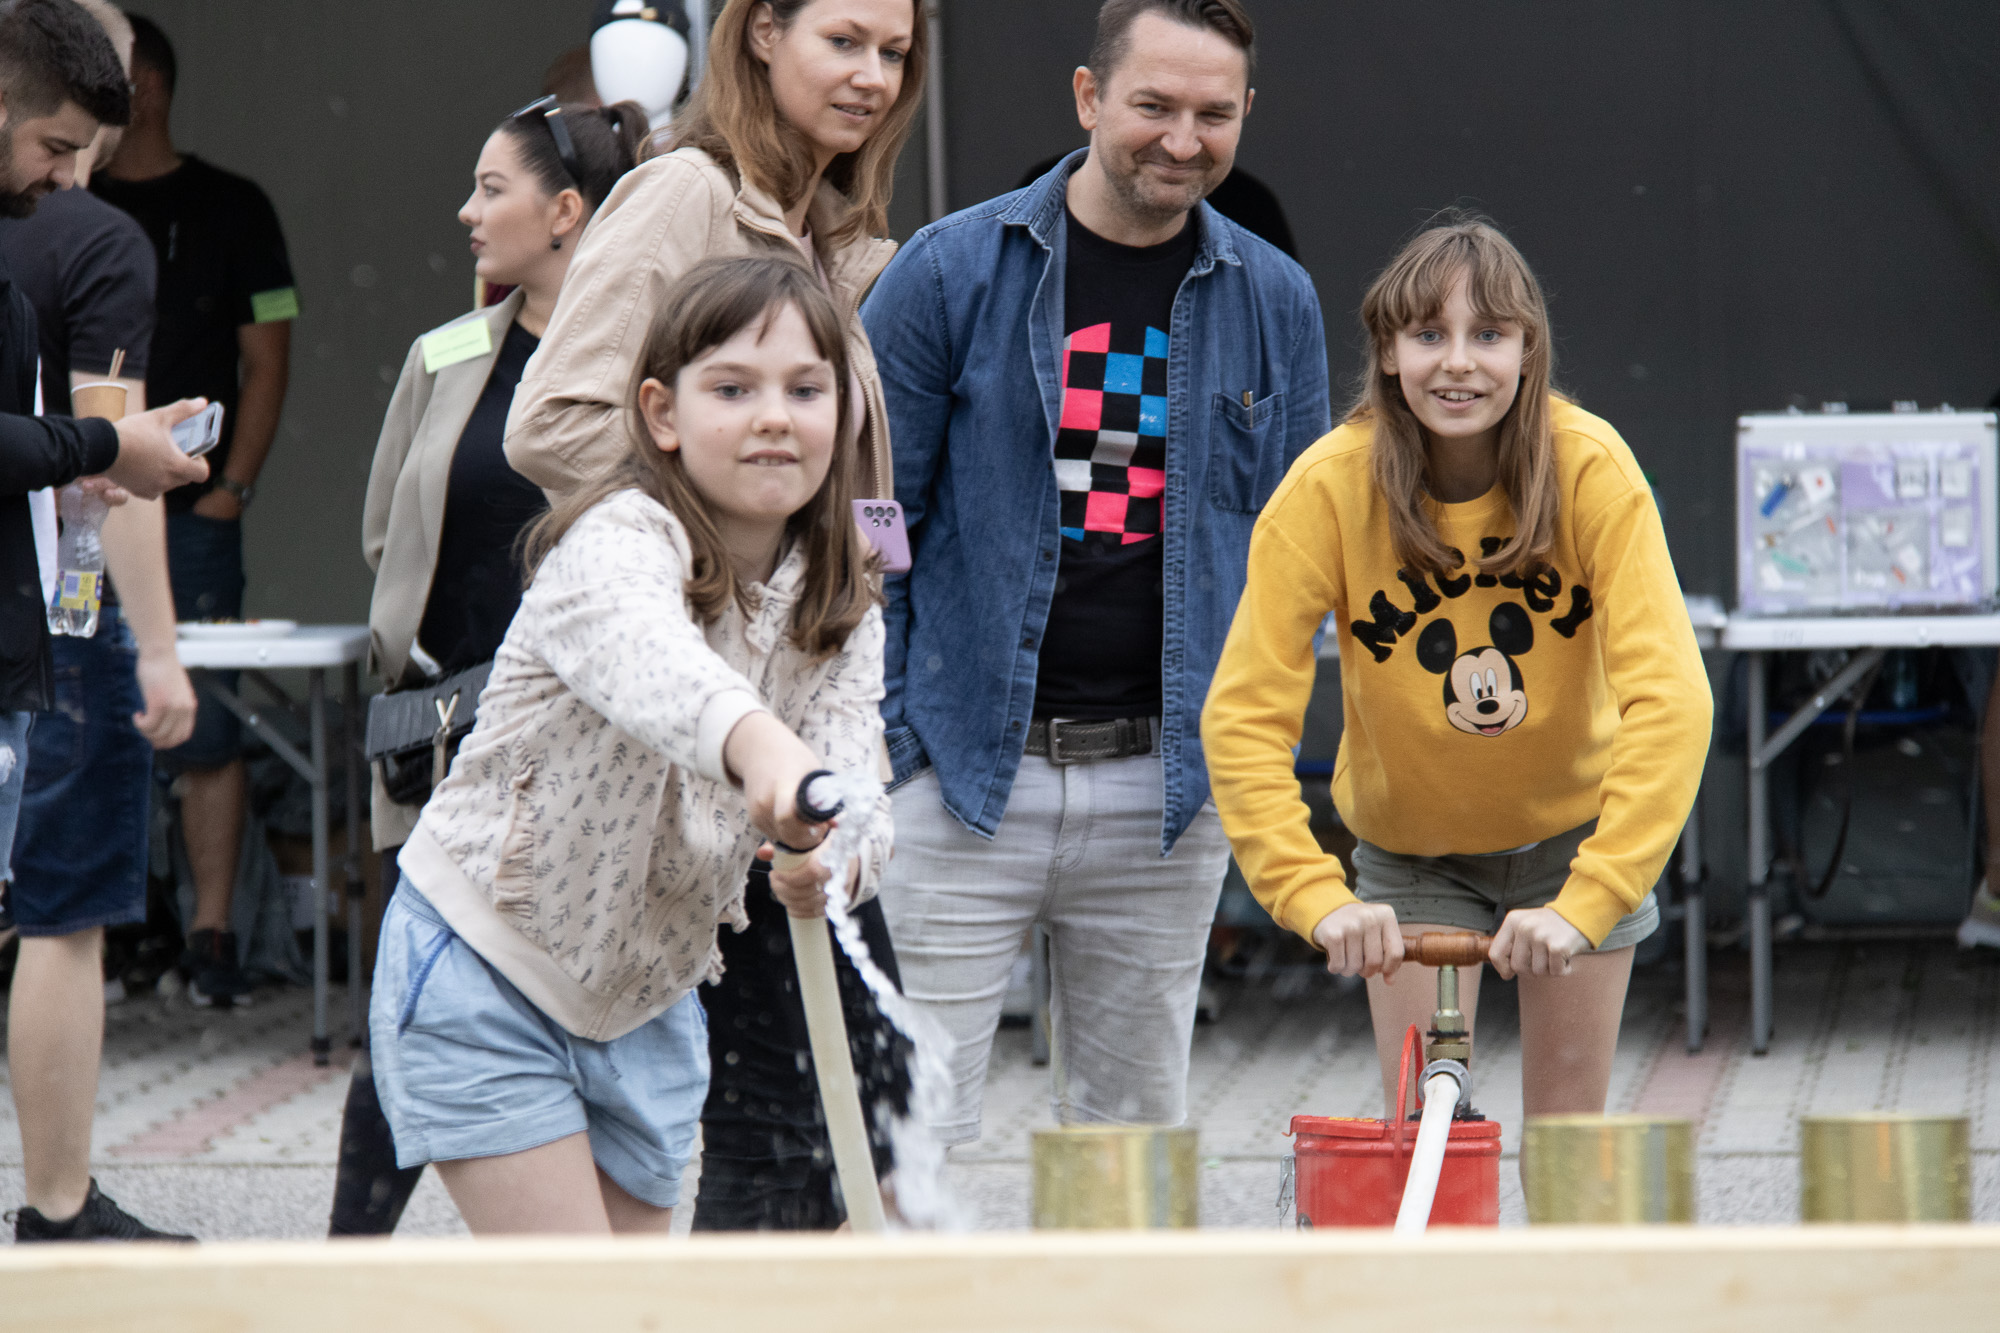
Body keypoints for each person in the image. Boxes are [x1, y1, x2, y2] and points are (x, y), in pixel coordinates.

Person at [861, 0, 1329, 1146]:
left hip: (1163, 790)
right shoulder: (948, 271)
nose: (1182, 139)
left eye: (1212, 114)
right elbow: (869, 518)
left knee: (1131, 1157)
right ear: (1087, 97)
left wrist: (1237, 757)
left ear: (1245, 113)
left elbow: (1300, 553)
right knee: (908, 1148)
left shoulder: (1275, 299)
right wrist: (894, 735)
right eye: (1152, 105)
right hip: (958, 771)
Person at [505, 0, 927, 1231]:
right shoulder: (684, 193)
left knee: (857, 1107)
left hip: (803, 700)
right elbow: (553, 423)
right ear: (758, 34)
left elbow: (843, 481)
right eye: (842, 41)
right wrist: (747, 544)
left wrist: (857, 560)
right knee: (786, 1127)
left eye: (894, 53)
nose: (871, 75)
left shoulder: (828, 226)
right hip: (698, 731)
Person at [368, 255, 891, 1236]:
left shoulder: (843, 595)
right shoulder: (616, 538)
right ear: (662, 413)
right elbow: (654, 668)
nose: (773, 417)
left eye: (804, 390)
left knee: (635, 1298)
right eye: (732, 389)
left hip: (649, 998)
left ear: (845, 412)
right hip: (489, 966)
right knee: (582, 1299)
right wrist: (762, 749)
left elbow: (855, 772)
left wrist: (840, 857)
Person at [1202, 217, 1713, 1124]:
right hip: (1415, 855)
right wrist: (1313, 894)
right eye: (1429, 334)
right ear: (1387, 351)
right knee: (1424, 1140)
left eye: (1489, 334)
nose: (1459, 363)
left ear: (1528, 350)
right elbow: (1244, 711)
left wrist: (1594, 894)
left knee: (1569, 1147)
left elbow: (1671, 699)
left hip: (1573, 842)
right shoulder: (1328, 487)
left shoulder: (1591, 468)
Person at [328, 95, 648, 1238]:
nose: (467, 212)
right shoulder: (447, 353)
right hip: (445, 744)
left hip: (604, 756)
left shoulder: (657, 364)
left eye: (491, 188)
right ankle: (345, 1272)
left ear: (565, 214)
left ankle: (584, 1252)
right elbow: (388, 535)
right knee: (409, 1001)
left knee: (597, 1017)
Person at [0, 0, 209, 1243]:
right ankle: (60, 1201)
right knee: (63, 915)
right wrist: (163, 647)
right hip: (57, 620)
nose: (68, 171)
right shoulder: (95, 238)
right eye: (62, 142)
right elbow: (115, 463)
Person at [94, 12, 296, 1008]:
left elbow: (270, 355)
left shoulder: (233, 207)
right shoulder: (66, 208)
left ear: (152, 88)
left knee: (205, 723)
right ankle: (110, 930)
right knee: (95, 715)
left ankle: (212, 935)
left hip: (194, 516)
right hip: (84, 506)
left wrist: (231, 489)